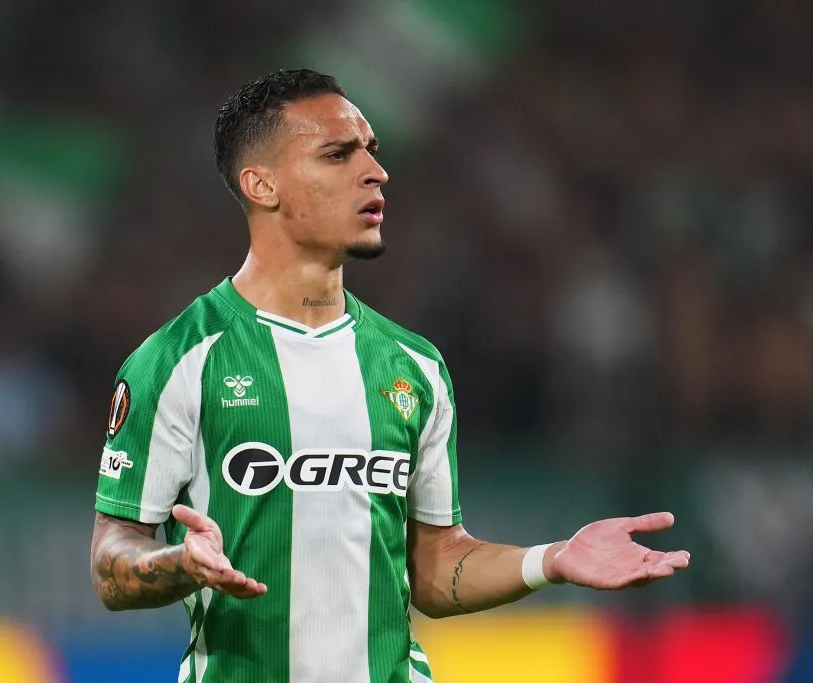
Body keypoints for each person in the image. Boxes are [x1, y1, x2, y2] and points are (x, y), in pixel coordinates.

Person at [89, 68, 690, 683]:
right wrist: (178, 563)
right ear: (261, 184)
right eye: (336, 154)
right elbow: (112, 560)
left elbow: (436, 568)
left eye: (371, 151)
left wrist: (554, 560)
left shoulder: (413, 367)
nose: (374, 172)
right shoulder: (179, 360)